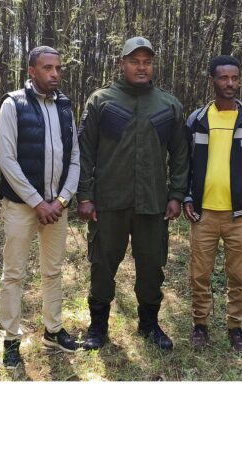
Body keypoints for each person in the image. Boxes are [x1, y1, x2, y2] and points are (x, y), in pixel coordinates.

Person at [77, 36, 189, 351]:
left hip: (153, 204)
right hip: (108, 203)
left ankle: (149, 325)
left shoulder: (168, 104)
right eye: (135, 61)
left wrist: (176, 195)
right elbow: (84, 152)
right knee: (101, 265)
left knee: (152, 267)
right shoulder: (101, 101)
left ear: (153, 65)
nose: (141, 67)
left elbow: (181, 154)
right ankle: (97, 327)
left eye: (147, 62)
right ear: (122, 63)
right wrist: (84, 195)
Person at [0, 46, 80, 368]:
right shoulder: (12, 104)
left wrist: (60, 200)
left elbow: (74, 157)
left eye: (58, 68)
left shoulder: (65, 107)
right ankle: (11, 339)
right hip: (21, 206)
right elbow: (7, 160)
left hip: (56, 207)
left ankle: (53, 330)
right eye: (47, 68)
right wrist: (37, 202)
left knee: (53, 270)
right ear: (32, 71)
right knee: (14, 273)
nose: (55, 74)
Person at [183, 56, 242, 357]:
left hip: (240, 215)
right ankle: (200, 325)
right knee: (199, 273)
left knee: (239, 275)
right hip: (203, 214)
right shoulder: (197, 120)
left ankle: (236, 328)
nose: (230, 83)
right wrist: (187, 197)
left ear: (239, 80)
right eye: (223, 78)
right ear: (212, 81)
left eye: (234, 78)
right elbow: (185, 165)